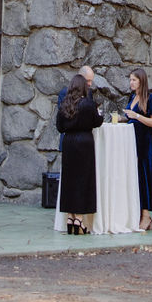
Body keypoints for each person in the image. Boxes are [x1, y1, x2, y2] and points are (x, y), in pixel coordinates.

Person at [57, 72, 102, 234]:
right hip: (84, 143)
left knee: (70, 181)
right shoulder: (88, 104)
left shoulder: (65, 104)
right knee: (84, 181)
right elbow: (97, 122)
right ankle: (80, 221)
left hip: (69, 143)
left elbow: (59, 126)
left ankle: (70, 217)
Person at [124, 68, 152, 232]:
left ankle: (146, 215)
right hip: (132, 143)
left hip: (145, 144)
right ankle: (137, 213)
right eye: (130, 79)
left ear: (141, 81)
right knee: (135, 178)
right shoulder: (132, 97)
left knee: (144, 177)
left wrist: (136, 116)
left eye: (134, 80)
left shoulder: (150, 98)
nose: (131, 82)